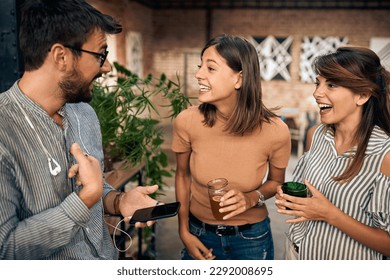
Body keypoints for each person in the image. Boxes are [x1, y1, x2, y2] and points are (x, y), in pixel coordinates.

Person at [0, 0, 158, 260]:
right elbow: (6, 249)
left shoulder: (84, 113)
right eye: (100, 55)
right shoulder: (5, 130)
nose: (106, 67)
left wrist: (118, 201)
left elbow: (97, 186)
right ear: (61, 56)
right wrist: (85, 200)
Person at [171, 34, 291, 260]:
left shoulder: (276, 130)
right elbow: (182, 175)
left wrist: (251, 198)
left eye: (211, 68)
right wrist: (184, 230)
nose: (198, 74)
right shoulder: (186, 121)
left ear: (239, 79)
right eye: (200, 66)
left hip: (251, 240)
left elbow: (277, 182)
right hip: (199, 234)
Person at [276, 46, 390, 260]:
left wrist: (329, 214)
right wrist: (292, 200)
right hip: (297, 255)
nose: (317, 93)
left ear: (362, 95)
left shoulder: (385, 155)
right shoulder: (315, 135)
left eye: (332, 84)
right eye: (317, 83)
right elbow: (308, 194)